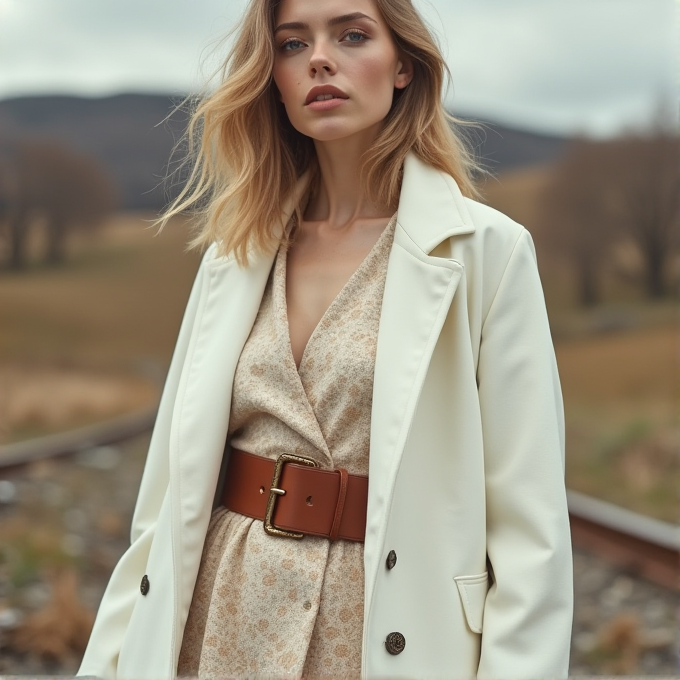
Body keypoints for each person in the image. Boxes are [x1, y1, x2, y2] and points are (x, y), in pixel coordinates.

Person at [78, 0, 573, 677]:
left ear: (402, 65)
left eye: (351, 35)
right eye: (290, 43)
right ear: (272, 76)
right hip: (224, 607)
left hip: (382, 621)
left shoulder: (487, 253)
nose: (319, 59)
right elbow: (164, 500)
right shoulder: (236, 251)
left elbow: (530, 531)